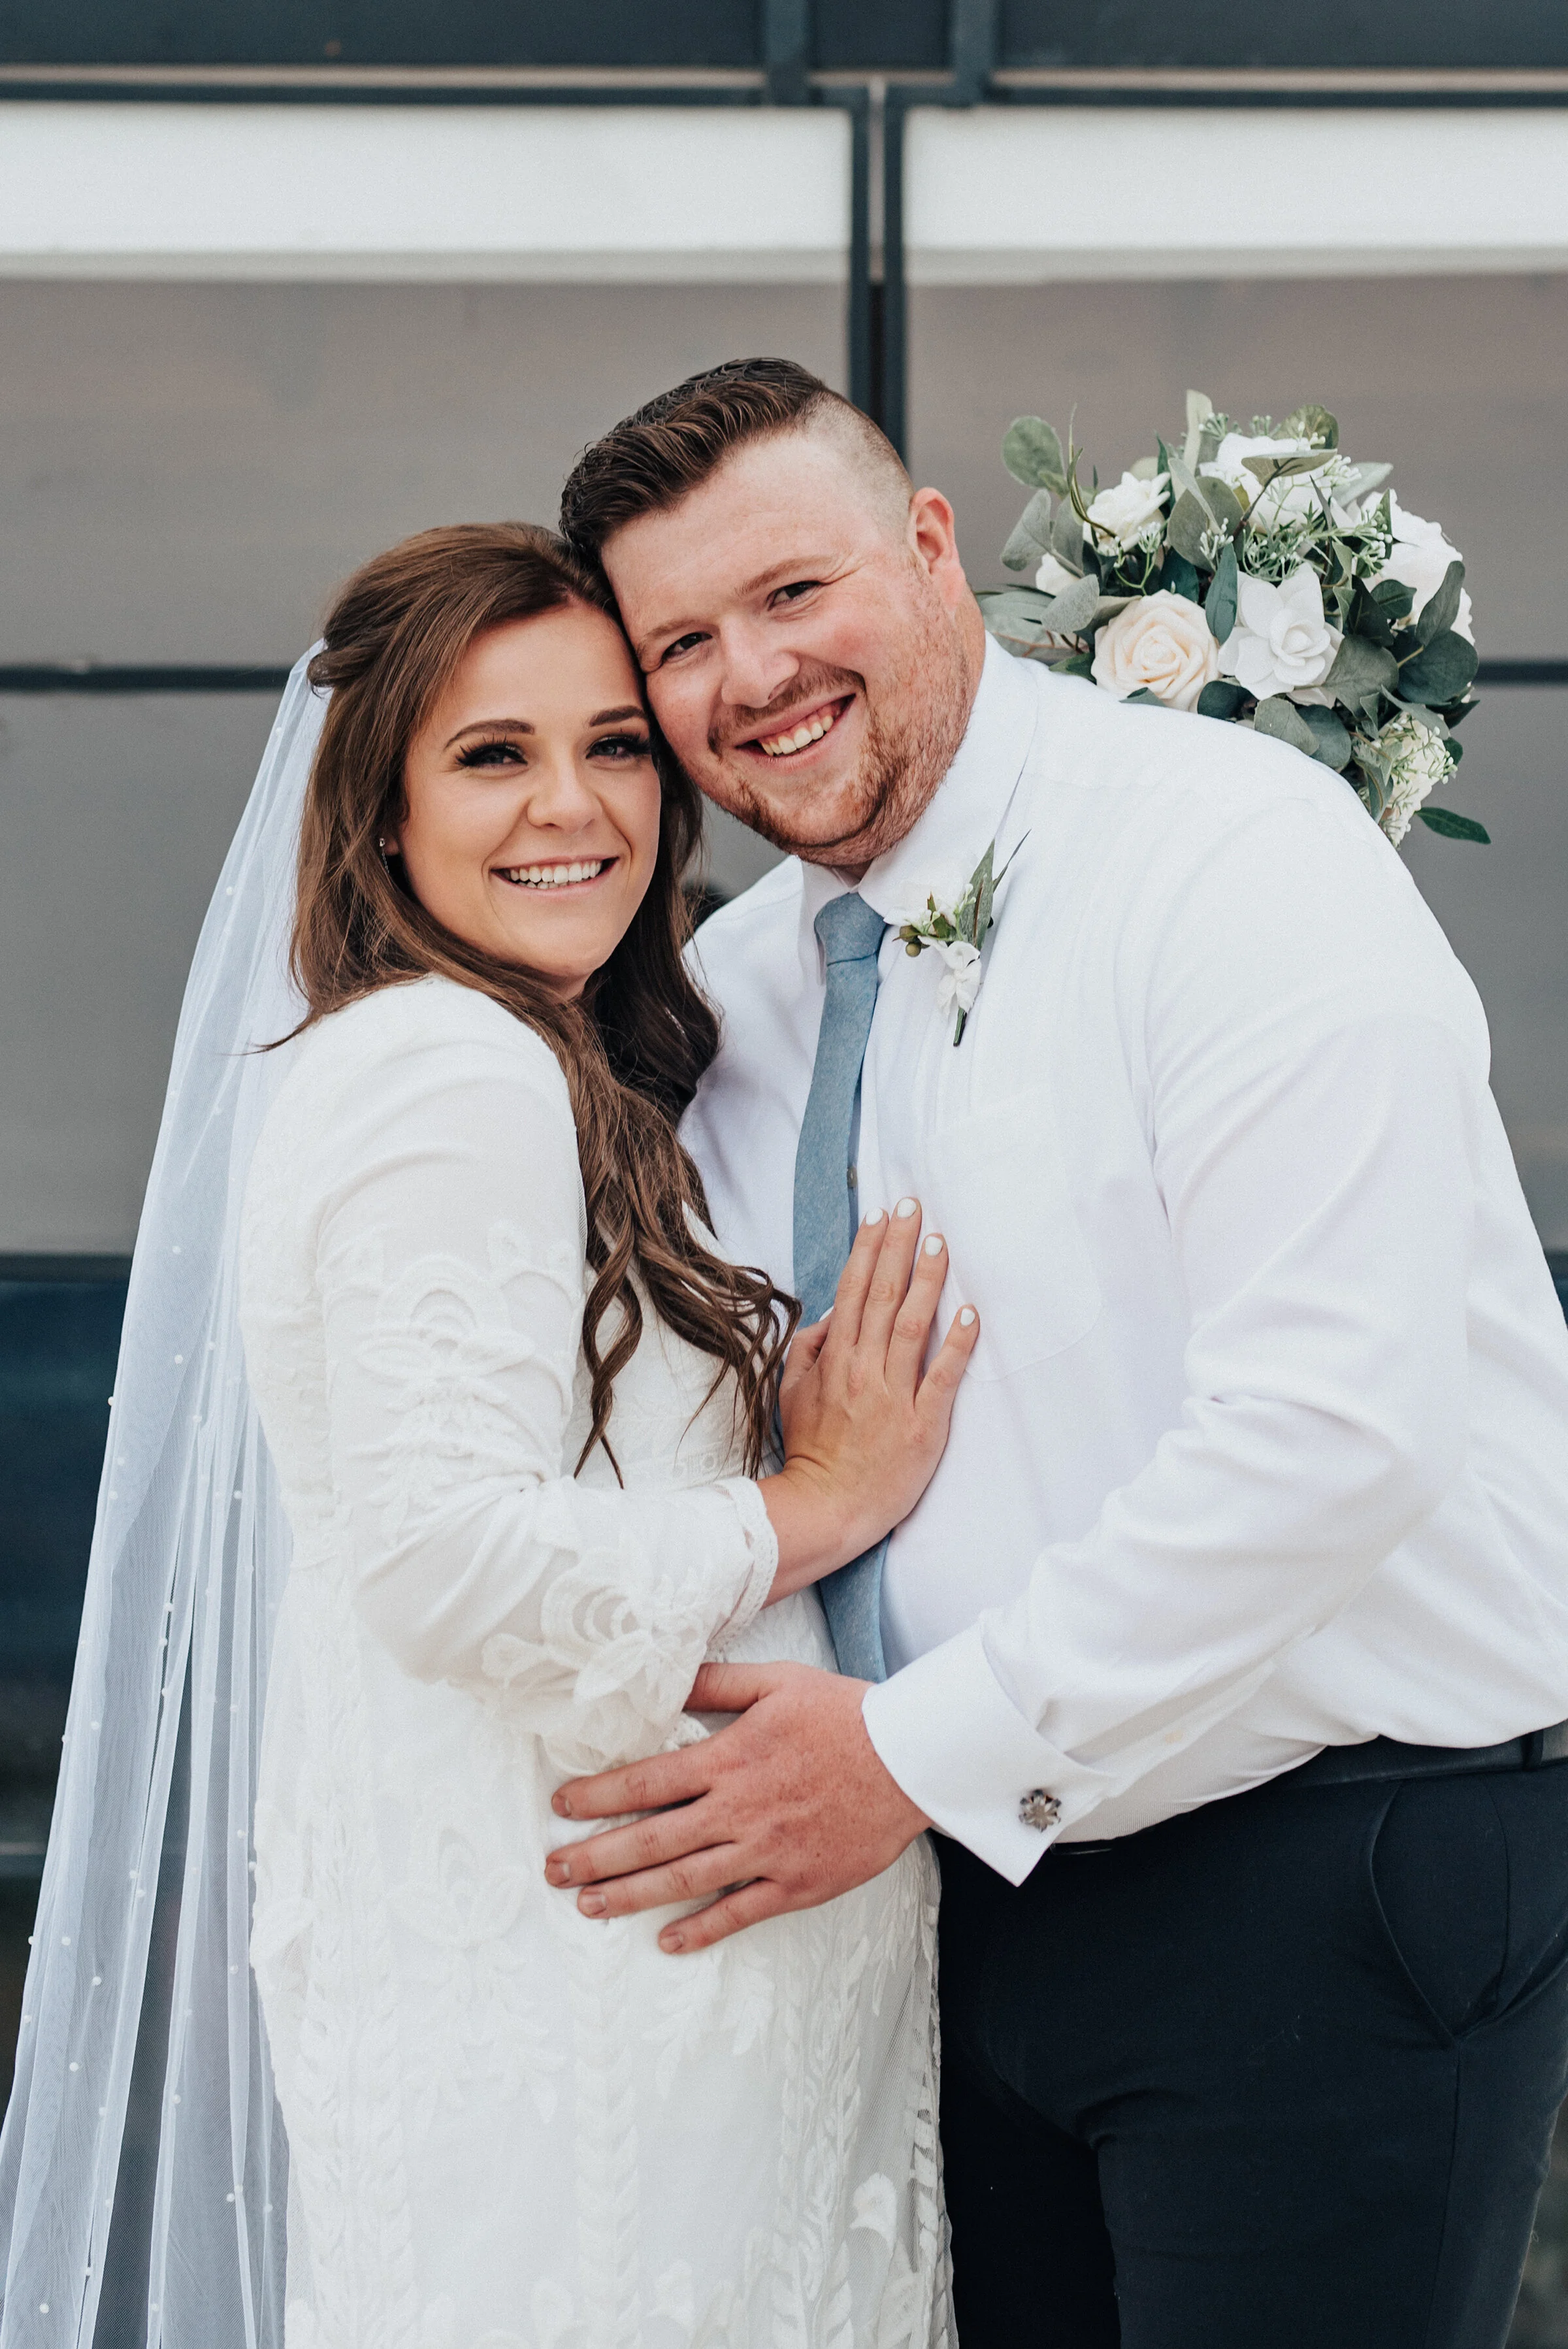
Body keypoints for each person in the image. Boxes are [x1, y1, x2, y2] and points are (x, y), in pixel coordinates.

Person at [545, 358, 1568, 2349]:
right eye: (681, 641)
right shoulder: (732, 1001)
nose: (748, 676)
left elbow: (1336, 1431)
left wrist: (911, 1760)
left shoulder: (1229, 851)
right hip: (944, 1920)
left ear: (934, 549)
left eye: (792, 594)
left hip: (1327, 1867)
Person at [0, 522, 977, 2348]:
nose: (575, 805)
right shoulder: (450, 1076)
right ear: (379, 813)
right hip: (594, 2045)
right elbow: (448, 1564)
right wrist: (808, 1509)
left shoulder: (522, 1063)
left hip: (645, 2019)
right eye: (493, 754)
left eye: (615, 743)